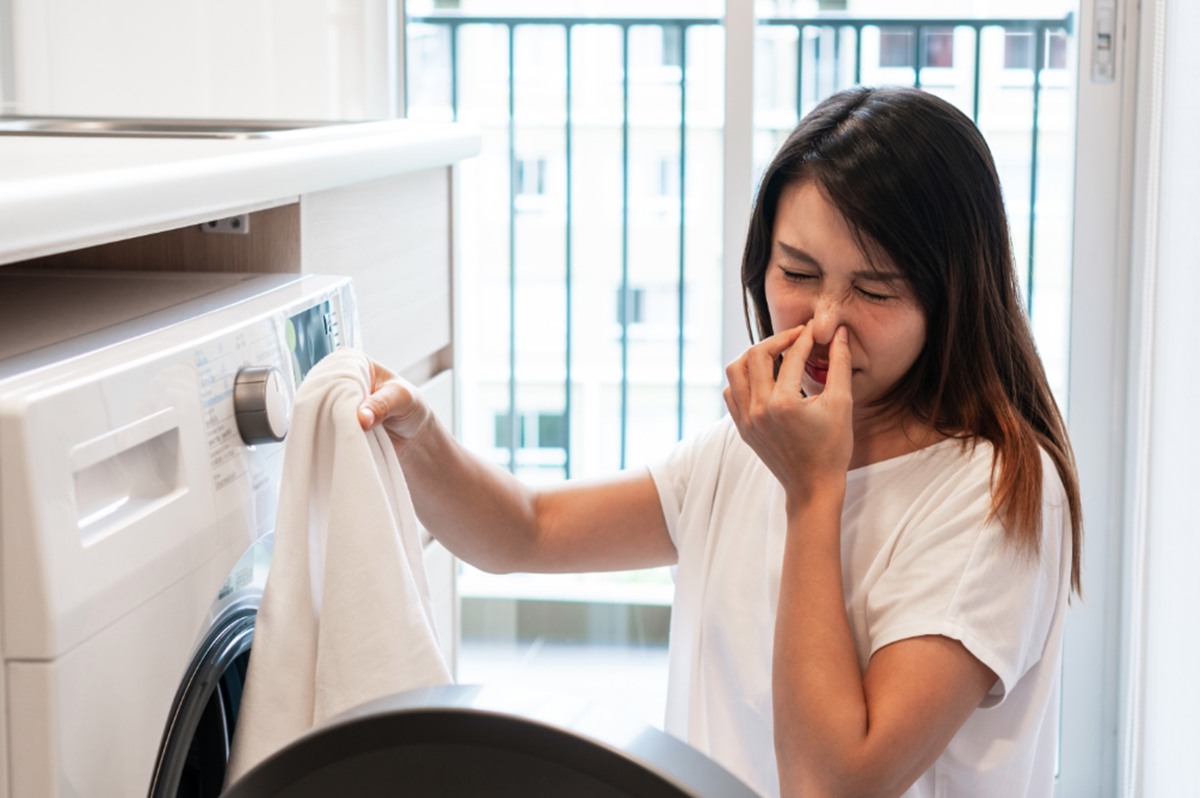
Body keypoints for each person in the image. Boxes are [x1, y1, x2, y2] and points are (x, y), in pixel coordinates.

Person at [356, 85, 1083, 798]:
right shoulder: (758, 446)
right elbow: (528, 531)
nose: (823, 323)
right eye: (797, 273)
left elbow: (830, 787)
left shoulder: (995, 491)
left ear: (953, 295)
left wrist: (812, 491)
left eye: (874, 290)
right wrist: (418, 436)